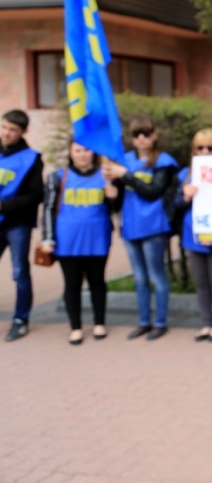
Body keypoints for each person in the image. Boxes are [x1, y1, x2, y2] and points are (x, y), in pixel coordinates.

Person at [102, 118, 177, 341]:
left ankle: (160, 322)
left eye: (146, 133)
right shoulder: (124, 160)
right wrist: (112, 190)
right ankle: (144, 321)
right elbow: (120, 197)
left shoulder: (163, 161)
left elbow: (153, 191)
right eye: (136, 134)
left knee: (156, 276)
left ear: (154, 135)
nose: (141, 138)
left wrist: (124, 175)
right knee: (139, 278)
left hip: (154, 225)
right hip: (131, 225)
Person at [40, 141, 120, 345]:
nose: (83, 154)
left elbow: (116, 207)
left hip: (97, 239)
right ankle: (75, 327)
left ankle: (99, 323)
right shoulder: (58, 177)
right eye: (77, 150)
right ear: (70, 153)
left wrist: (113, 196)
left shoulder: (105, 176)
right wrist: (47, 238)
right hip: (67, 241)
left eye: (86, 149)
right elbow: (48, 209)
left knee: (97, 282)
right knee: (72, 284)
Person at [176, 129, 212, 342]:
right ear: (194, 151)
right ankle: (206, 323)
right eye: (200, 148)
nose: (205, 151)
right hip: (193, 235)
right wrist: (185, 197)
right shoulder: (185, 175)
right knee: (201, 281)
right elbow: (174, 206)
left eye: (211, 147)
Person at [0, 110, 43, 342]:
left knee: (19, 272)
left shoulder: (32, 159)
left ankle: (20, 320)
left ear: (23, 132)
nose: (6, 133)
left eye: (12, 130)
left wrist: (4, 206)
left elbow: (36, 195)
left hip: (18, 224)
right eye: (4, 127)